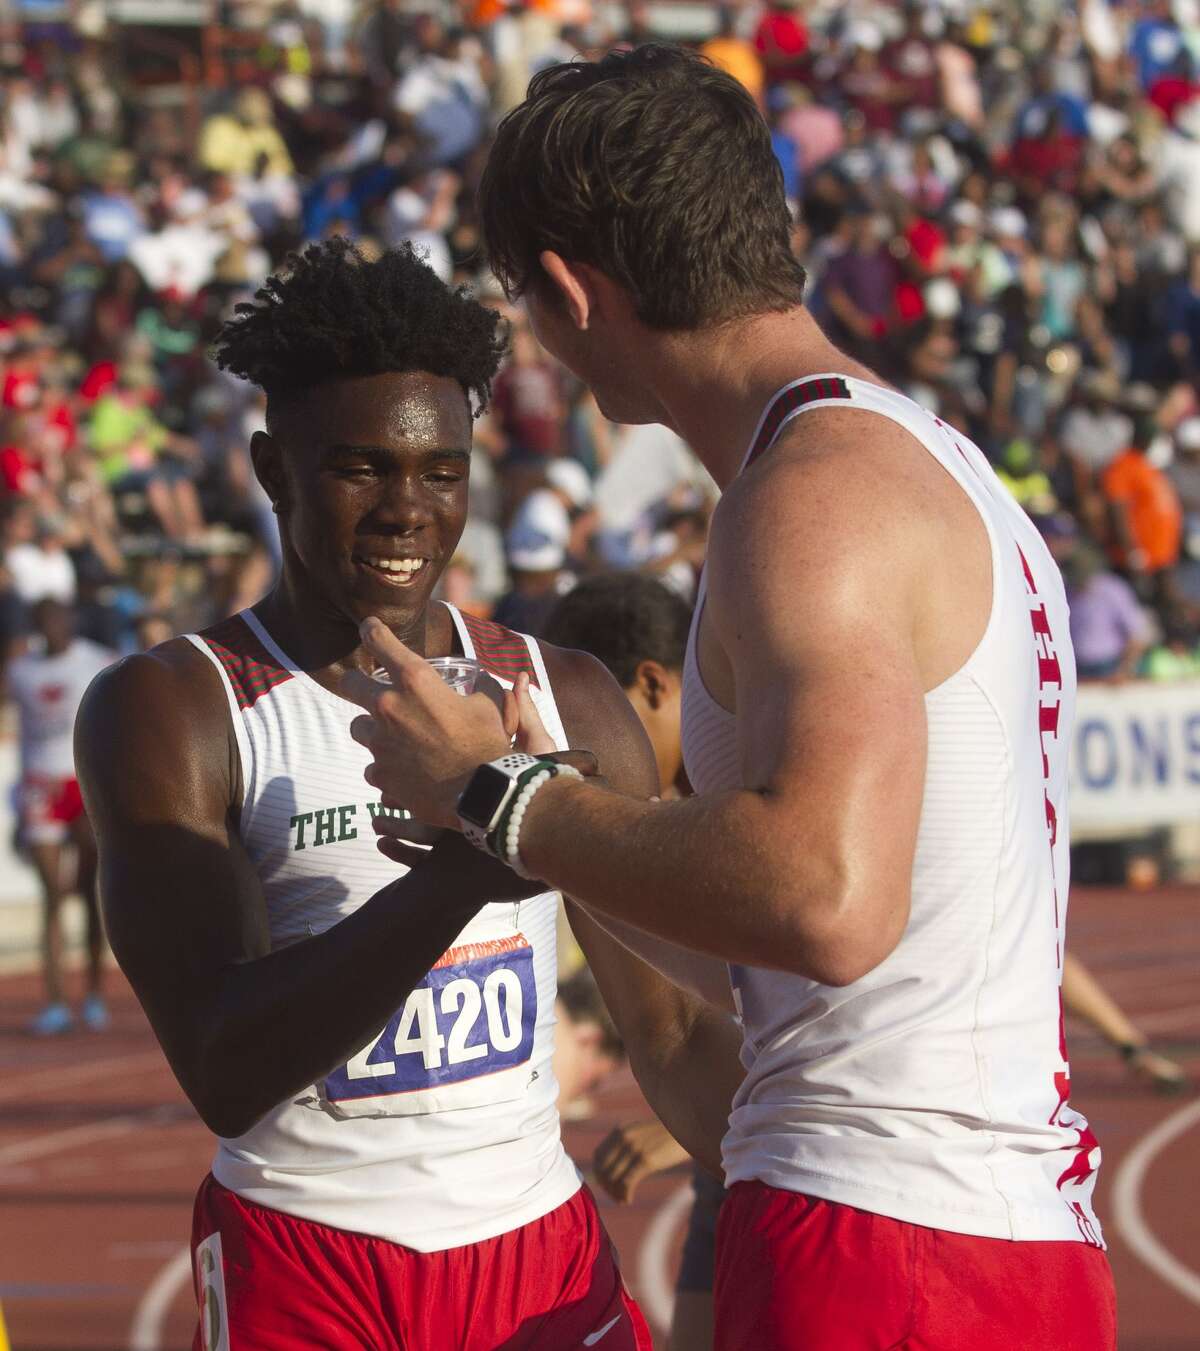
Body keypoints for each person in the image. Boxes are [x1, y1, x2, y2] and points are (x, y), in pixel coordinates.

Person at [347, 47, 1116, 1350]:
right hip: (975, 1229)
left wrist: (503, 791)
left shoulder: (813, 498)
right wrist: (545, 823)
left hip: (883, 1237)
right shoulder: (915, 463)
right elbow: (796, 951)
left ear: (574, 292)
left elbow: (824, 897)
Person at [76, 238, 737, 1351]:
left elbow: (669, 1036)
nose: (406, 510)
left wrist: (826, 1184)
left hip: (536, 1252)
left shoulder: (561, 690)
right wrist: (482, 845)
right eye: (360, 468)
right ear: (274, 470)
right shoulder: (177, 708)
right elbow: (225, 1068)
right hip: (310, 1256)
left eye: (440, 472)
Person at [544, 573, 723, 1351]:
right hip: (737, 1160)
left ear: (651, 684)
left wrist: (685, 1133)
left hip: (806, 1164)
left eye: (590, 724)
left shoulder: (751, 800)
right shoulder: (645, 814)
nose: (585, 754)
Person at [8, 598, 113, 1033]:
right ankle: (54, 1001)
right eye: (44, 620)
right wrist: (17, 805)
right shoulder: (20, 672)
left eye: (58, 617)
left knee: (89, 890)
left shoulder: (95, 660)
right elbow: (23, 733)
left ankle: (93, 993)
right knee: (51, 893)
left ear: (70, 619)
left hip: (80, 782)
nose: (53, 626)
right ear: (36, 625)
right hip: (40, 787)